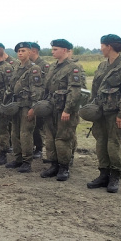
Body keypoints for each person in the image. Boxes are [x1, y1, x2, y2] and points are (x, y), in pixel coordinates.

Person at [86, 34, 121, 193]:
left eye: (102, 46)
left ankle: (115, 176)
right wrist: (92, 107)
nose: (101, 49)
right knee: (101, 142)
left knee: (114, 143)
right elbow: (95, 88)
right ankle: (103, 174)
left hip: (115, 113)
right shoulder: (102, 65)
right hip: (100, 111)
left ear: (109, 46)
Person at [40, 39, 83, 181]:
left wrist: (68, 110)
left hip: (64, 109)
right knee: (50, 138)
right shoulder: (53, 67)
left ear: (64, 50)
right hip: (51, 108)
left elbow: (75, 91)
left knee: (63, 138)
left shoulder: (73, 67)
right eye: (52, 49)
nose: (52, 52)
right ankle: (54, 165)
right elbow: (46, 88)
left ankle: (64, 167)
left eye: (55, 49)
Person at [4, 42, 44, 173]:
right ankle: (18, 158)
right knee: (14, 133)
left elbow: (37, 90)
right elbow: (11, 87)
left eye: (23, 50)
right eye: (18, 51)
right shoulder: (16, 67)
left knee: (25, 134)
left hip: (27, 106)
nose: (20, 53)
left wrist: (34, 108)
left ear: (30, 52)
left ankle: (27, 161)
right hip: (16, 105)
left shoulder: (34, 69)